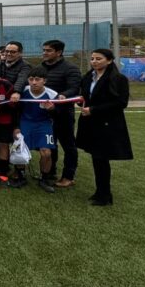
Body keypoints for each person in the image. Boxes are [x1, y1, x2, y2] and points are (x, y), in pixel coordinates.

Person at [76, 49, 133, 206]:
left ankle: (105, 195)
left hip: (108, 125)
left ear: (109, 61)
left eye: (98, 59)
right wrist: (80, 101)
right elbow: (85, 97)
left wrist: (93, 110)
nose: (94, 61)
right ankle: (100, 192)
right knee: (97, 158)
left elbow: (121, 103)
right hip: (90, 124)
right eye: (92, 58)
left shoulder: (119, 79)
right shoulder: (88, 77)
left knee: (101, 158)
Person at [40, 39, 82, 188]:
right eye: (44, 50)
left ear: (59, 52)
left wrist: (63, 95)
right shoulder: (41, 67)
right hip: (45, 114)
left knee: (68, 145)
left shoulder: (71, 68)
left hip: (63, 114)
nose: (45, 53)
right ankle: (50, 172)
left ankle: (68, 176)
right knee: (50, 144)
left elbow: (75, 88)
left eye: (49, 50)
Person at [17, 67, 58, 193]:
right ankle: (20, 176)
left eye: (37, 79)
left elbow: (59, 114)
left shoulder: (52, 94)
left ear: (44, 80)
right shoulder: (22, 91)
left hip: (43, 124)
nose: (34, 82)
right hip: (25, 122)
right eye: (31, 79)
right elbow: (15, 110)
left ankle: (44, 179)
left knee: (46, 153)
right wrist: (16, 127)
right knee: (20, 150)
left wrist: (52, 110)